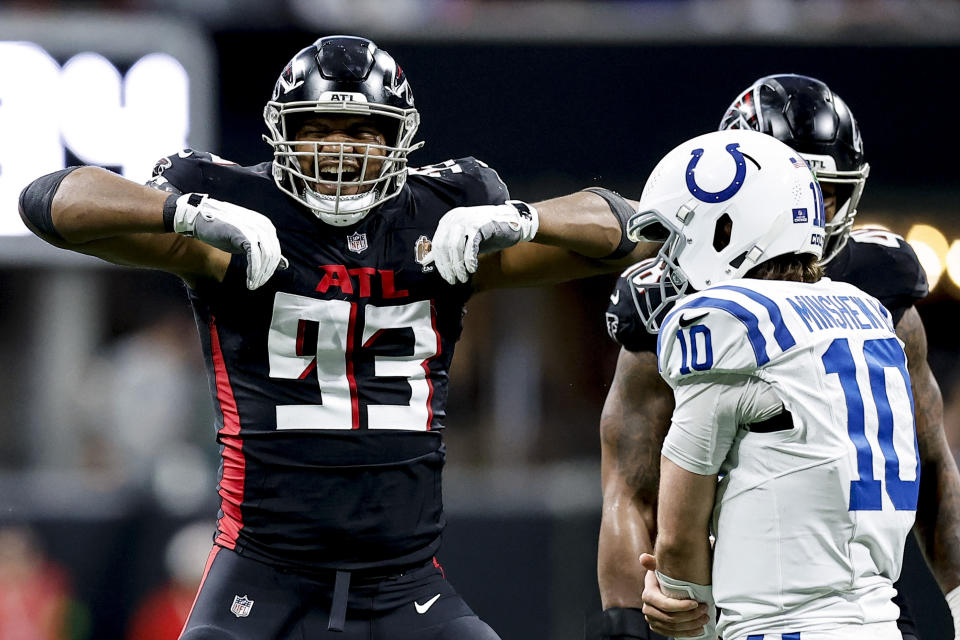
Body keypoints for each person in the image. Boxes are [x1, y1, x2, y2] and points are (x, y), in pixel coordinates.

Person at [19, 35, 650, 640]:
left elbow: (628, 232)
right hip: (261, 576)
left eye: (360, 132)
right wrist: (186, 214)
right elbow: (46, 203)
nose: (338, 151)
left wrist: (523, 218)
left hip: (406, 587)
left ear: (398, 139)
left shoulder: (442, 221)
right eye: (317, 128)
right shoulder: (231, 217)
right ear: (280, 135)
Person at [591, 74, 960, 640]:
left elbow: (932, 465)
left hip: (788, 594)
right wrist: (627, 621)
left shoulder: (871, 281)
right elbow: (630, 489)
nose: (811, 210)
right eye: (799, 187)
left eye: (826, 192)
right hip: (838, 602)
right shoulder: (862, 302)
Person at [633, 126, 917, 639]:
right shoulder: (867, 312)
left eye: (681, 235)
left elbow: (675, 543)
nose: (669, 259)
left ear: (727, 230)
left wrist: (682, 610)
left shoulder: (727, 322)